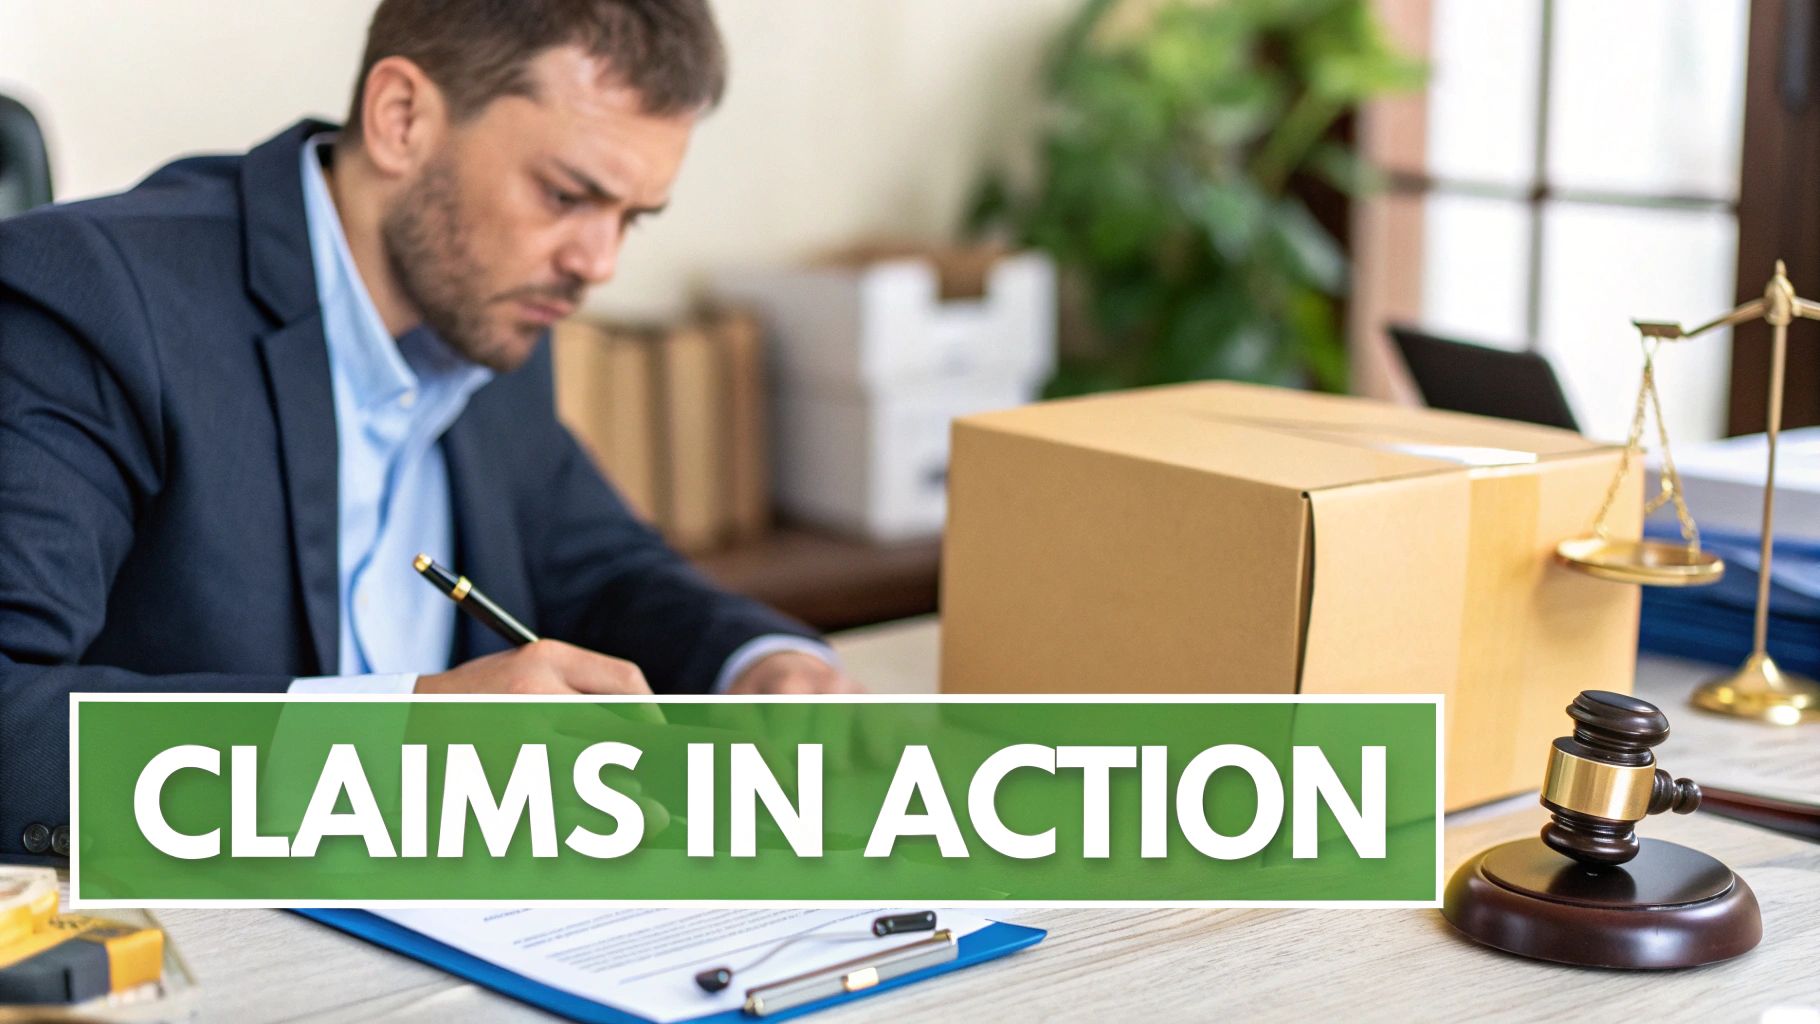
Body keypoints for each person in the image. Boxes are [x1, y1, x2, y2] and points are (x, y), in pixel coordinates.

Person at [0, 0, 858, 863]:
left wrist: (759, 662)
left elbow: (598, 567)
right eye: (566, 195)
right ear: (402, 118)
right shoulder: (89, 299)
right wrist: (402, 742)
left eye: (631, 217)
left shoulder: (491, 305)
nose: (597, 264)